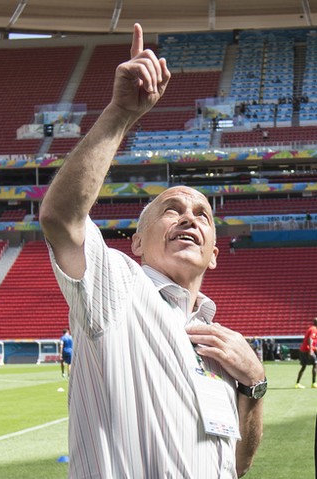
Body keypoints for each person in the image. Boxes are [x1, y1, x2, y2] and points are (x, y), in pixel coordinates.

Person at [39, 23, 265, 479]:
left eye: (202, 214)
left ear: (215, 253)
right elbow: (61, 219)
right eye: (171, 210)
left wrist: (254, 386)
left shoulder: (220, 345)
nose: (189, 218)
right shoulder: (118, 289)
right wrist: (121, 113)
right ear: (137, 243)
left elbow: (234, 468)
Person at [295, 317, 317, 389]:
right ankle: (313, 383)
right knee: (315, 364)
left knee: (304, 367)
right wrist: (311, 350)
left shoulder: (312, 328)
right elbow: (310, 339)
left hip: (304, 350)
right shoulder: (314, 329)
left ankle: (297, 383)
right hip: (307, 350)